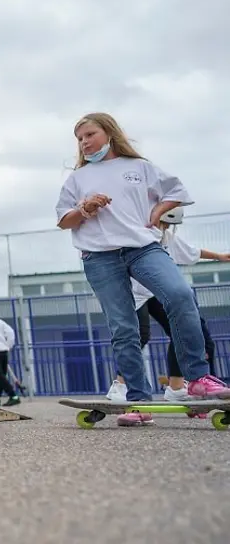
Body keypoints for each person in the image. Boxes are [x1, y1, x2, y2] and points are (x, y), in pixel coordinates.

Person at [55, 112, 230, 427]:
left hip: (143, 248)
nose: (84, 142)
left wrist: (159, 209)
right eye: (79, 139)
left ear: (109, 133)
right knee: (124, 327)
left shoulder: (140, 168)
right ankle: (138, 398)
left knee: (179, 295)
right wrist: (85, 208)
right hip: (99, 257)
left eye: (89, 134)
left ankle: (197, 378)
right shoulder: (77, 179)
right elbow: (63, 220)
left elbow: (176, 193)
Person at [106, 205, 227, 403]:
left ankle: (177, 387)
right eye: (162, 224)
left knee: (182, 329)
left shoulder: (168, 238)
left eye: (167, 226)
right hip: (133, 293)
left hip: (155, 292)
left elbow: (192, 251)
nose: (163, 229)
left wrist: (219, 256)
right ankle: (120, 385)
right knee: (139, 335)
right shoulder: (137, 235)